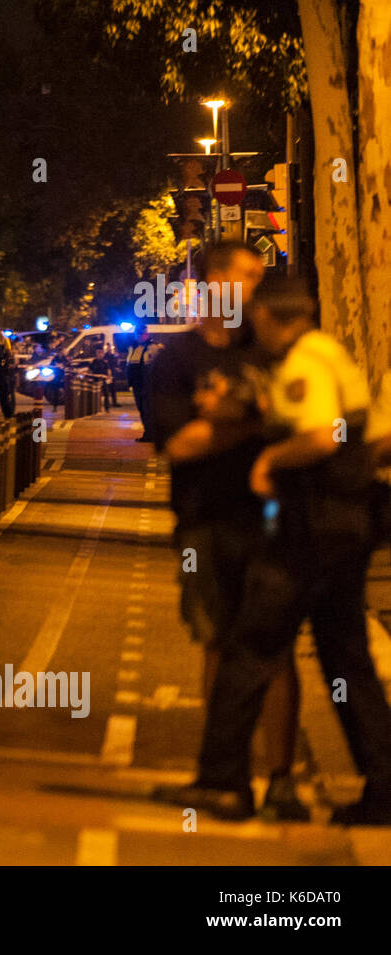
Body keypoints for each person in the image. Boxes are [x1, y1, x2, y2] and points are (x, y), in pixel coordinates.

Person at [187, 277, 391, 825]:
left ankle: (222, 781)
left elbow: (322, 436)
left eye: (254, 317)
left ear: (268, 316)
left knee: (251, 645)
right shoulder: (324, 355)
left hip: (312, 530)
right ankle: (384, 787)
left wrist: (269, 462)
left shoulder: (305, 359)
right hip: (345, 525)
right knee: (346, 657)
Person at [149, 242, 307, 821]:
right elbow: (180, 444)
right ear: (214, 282)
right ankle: (224, 775)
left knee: (274, 648)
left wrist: (228, 416)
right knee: (216, 640)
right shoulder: (175, 357)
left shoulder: (272, 350)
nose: (259, 288)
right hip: (204, 520)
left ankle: (283, 779)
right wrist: (252, 420)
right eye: (249, 276)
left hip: (273, 519)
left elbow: (300, 423)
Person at [127, 323, 159, 441]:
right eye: (141, 334)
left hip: (148, 385)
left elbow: (157, 367)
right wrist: (130, 383)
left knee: (148, 410)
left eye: (145, 333)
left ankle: (151, 434)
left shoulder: (152, 348)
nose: (143, 336)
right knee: (142, 410)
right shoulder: (133, 348)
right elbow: (130, 366)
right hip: (137, 385)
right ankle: (148, 433)